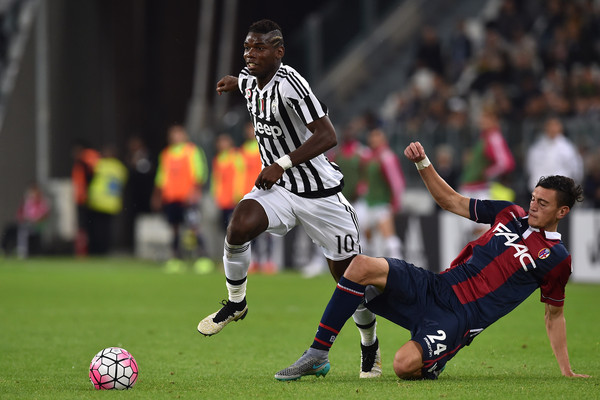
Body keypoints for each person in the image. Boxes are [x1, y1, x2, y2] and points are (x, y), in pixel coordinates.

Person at [274, 141, 589, 381]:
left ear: (562, 212)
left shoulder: (557, 259)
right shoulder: (510, 213)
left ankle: (431, 360)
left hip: (456, 319)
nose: (533, 206)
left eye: (543, 204)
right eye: (533, 198)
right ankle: (320, 352)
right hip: (436, 285)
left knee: (403, 366)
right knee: (358, 267)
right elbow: (451, 200)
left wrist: (566, 370)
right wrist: (423, 162)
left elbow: (554, 315)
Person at [197, 19, 382, 378]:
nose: (250, 54)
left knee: (349, 278)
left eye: (259, 48)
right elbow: (248, 82)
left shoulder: (292, 84)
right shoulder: (251, 77)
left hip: (320, 195)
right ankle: (237, 304)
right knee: (238, 227)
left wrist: (281, 163)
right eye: (247, 48)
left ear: (279, 52)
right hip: (279, 190)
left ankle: (370, 344)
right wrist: (235, 83)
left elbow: (328, 136)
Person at [152, 124, 209, 272]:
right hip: (171, 197)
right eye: (173, 134)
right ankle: (176, 258)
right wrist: (157, 196)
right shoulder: (166, 154)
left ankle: (203, 258)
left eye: (178, 134)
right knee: (175, 229)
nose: (176, 137)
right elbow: (161, 177)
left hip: (187, 197)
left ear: (184, 135)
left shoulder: (192, 151)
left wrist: (194, 191)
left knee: (194, 227)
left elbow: (200, 173)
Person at [359, 128, 405, 258]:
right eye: (372, 137)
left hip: (382, 202)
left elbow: (397, 182)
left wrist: (396, 203)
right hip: (369, 202)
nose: (373, 140)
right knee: (365, 236)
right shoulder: (369, 157)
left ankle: (399, 266)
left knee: (388, 236)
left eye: (376, 137)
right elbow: (365, 180)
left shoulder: (387, 157)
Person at [86, 145, 128, 255]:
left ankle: (96, 250)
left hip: (98, 201)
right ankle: (105, 250)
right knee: (107, 229)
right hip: (112, 203)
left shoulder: (101, 164)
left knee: (96, 228)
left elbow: (88, 164)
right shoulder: (120, 168)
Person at [526, 117, 583, 192]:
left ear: (561, 128)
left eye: (555, 125)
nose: (552, 128)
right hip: (539, 190)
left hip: (561, 190)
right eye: (550, 125)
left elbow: (576, 170)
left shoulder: (568, 148)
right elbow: (530, 168)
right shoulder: (537, 147)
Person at [1, 182, 50, 258]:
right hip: (26, 223)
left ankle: (22, 251)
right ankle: (4, 249)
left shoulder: (42, 203)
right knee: (9, 228)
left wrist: (34, 220)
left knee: (23, 231)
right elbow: (21, 214)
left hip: (37, 225)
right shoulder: (28, 202)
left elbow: (44, 216)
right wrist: (21, 218)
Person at [211, 133, 244, 232]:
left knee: (236, 226)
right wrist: (215, 195)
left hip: (235, 199)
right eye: (220, 142)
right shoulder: (217, 159)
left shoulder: (236, 156)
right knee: (225, 227)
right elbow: (216, 180)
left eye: (224, 141)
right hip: (223, 201)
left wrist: (239, 193)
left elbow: (241, 176)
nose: (222, 144)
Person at [71, 141, 100, 256]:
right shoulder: (83, 162)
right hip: (83, 198)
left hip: (87, 199)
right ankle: (85, 250)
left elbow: (90, 177)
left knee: (87, 226)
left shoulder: (85, 161)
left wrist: (87, 194)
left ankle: (87, 250)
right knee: (85, 227)